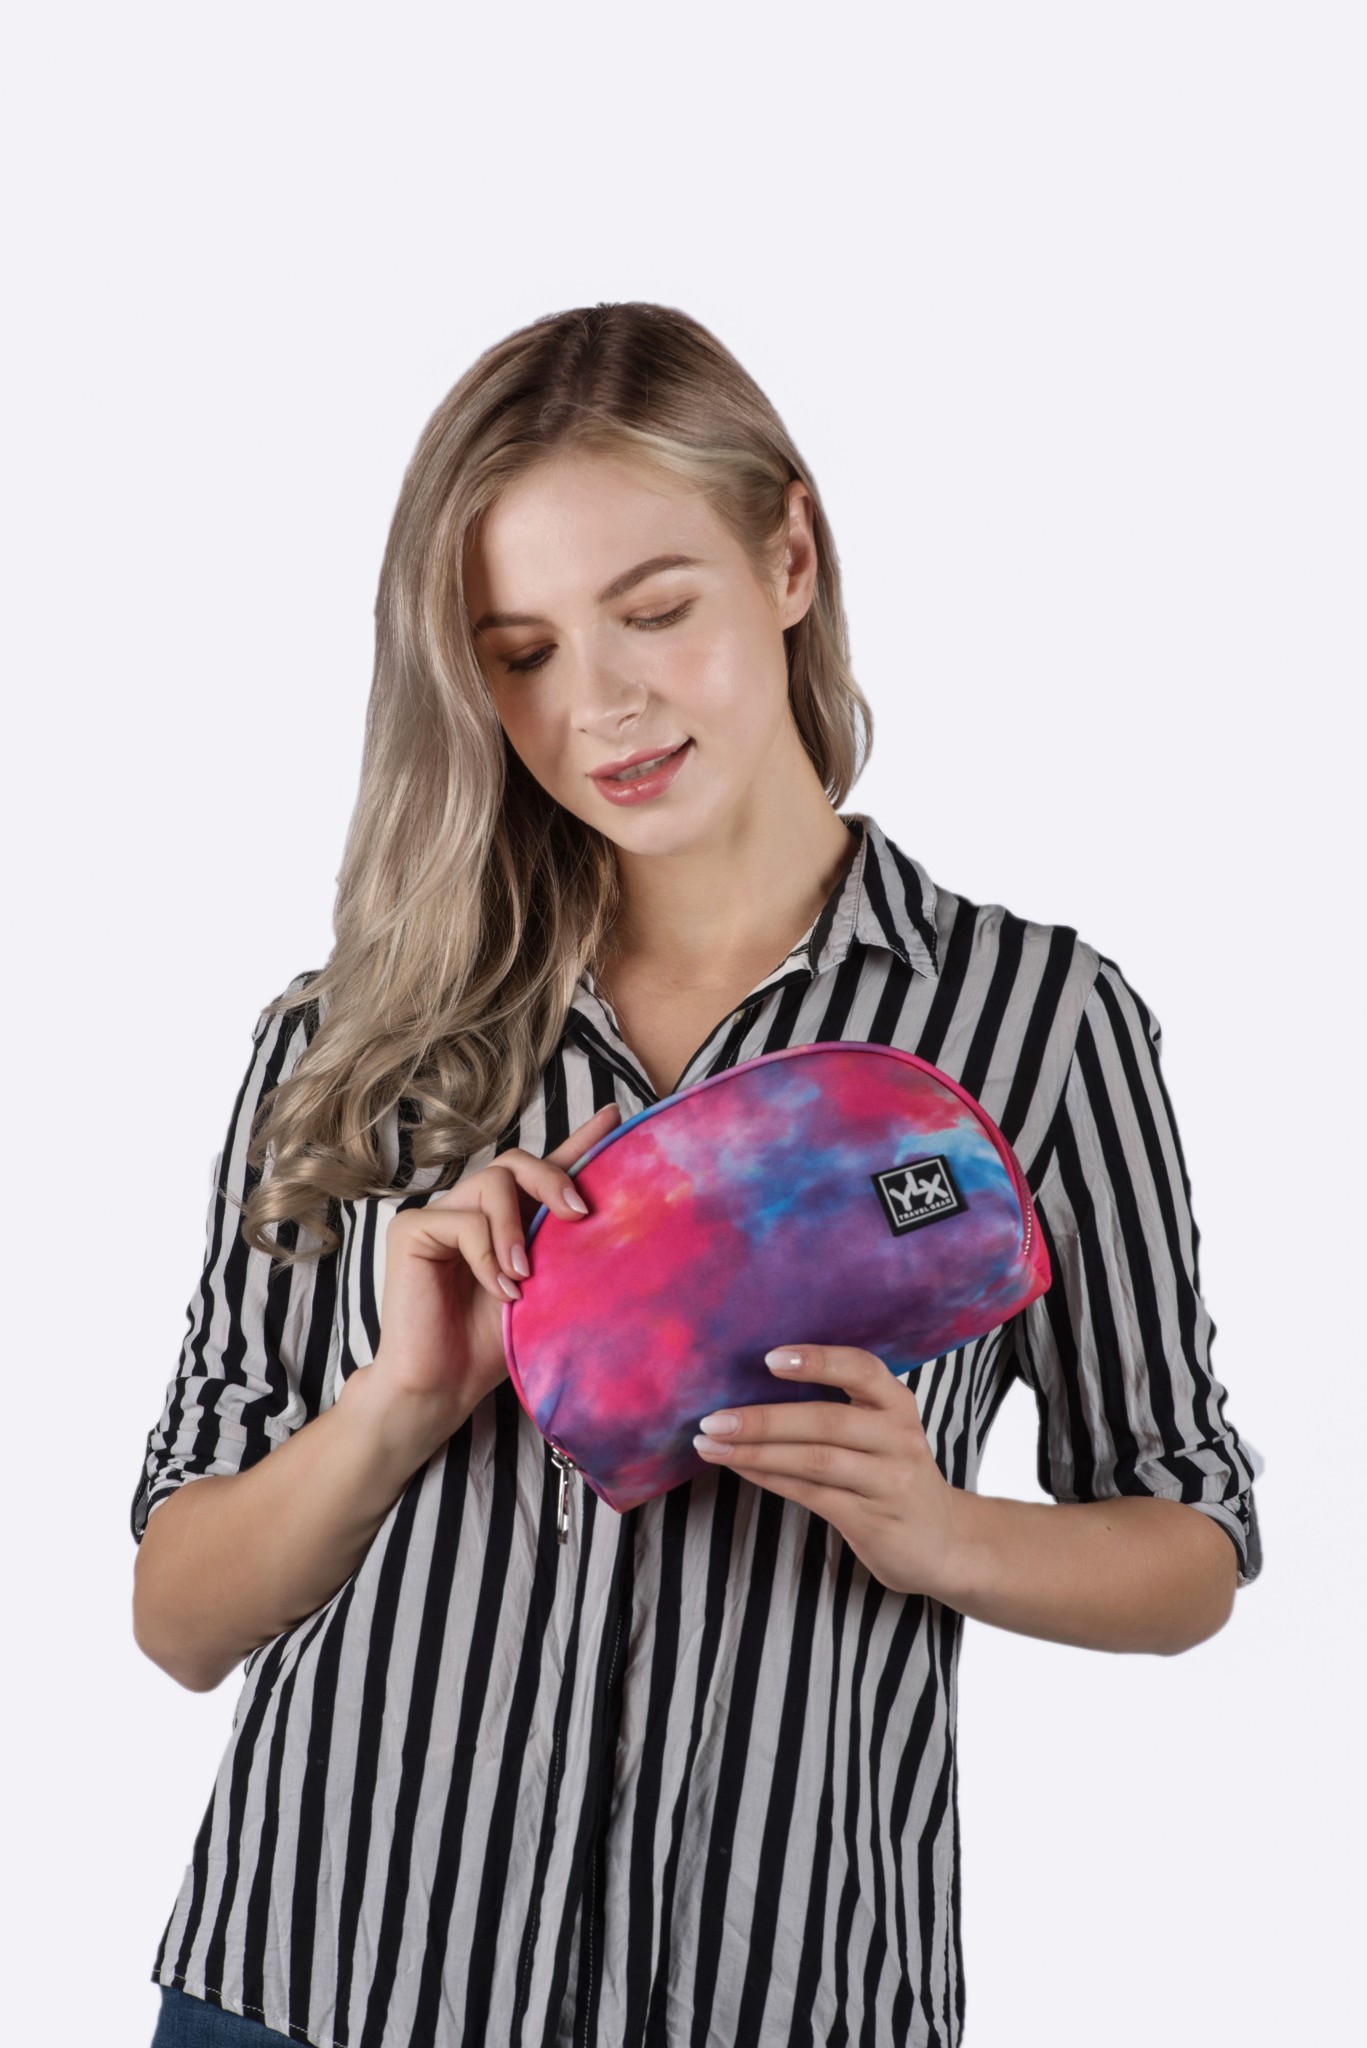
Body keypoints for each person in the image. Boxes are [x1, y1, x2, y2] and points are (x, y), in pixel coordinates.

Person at [131, 301, 1263, 2048]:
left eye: (655, 611)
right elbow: (179, 1617)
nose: (600, 704)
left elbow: (1190, 1529)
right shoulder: (355, 1037)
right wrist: (399, 1403)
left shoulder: (1039, 1025)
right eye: (520, 651)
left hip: (781, 1996)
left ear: (789, 556)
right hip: (318, 1983)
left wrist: (946, 1535)